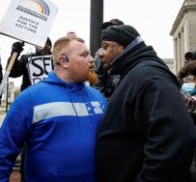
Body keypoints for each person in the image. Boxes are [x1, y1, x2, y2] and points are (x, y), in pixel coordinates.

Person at [96, 24, 196, 181]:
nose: (100, 54)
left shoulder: (150, 77)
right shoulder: (136, 73)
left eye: (105, 46)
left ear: (123, 47)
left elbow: (177, 136)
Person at [0, 36, 107, 181]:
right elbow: (4, 151)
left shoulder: (98, 97)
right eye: (84, 55)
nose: (92, 59)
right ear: (64, 61)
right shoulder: (29, 99)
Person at [94, 19, 124, 98]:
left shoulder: (130, 53)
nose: (108, 32)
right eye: (106, 29)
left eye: (112, 29)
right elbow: (96, 80)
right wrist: (104, 101)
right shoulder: (100, 54)